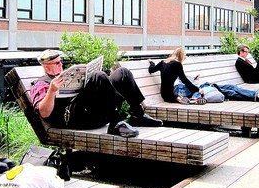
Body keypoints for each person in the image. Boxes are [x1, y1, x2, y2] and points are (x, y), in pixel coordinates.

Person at [30, 50, 162, 139]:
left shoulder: (66, 76)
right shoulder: (41, 84)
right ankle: (115, 124)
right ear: (46, 67)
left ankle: (137, 114)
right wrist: (52, 91)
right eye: (57, 63)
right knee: (99, 76)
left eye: (61, 62)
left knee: (123, 73)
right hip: (77, 120)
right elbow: (44, 113)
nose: (61, 65)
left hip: (92, 112)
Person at [148, 47, 259, 104]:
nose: (185, 58)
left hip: (173, 93)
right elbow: (184, 80)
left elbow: (152, 70)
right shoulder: (177, 64)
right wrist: (198, 89)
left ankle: (257, 96)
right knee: (227, 90)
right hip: (179, 93)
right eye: (185, 56)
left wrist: (151, 63)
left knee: (229, 88)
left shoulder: (163, 62)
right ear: (181, 56)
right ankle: (257, 96)